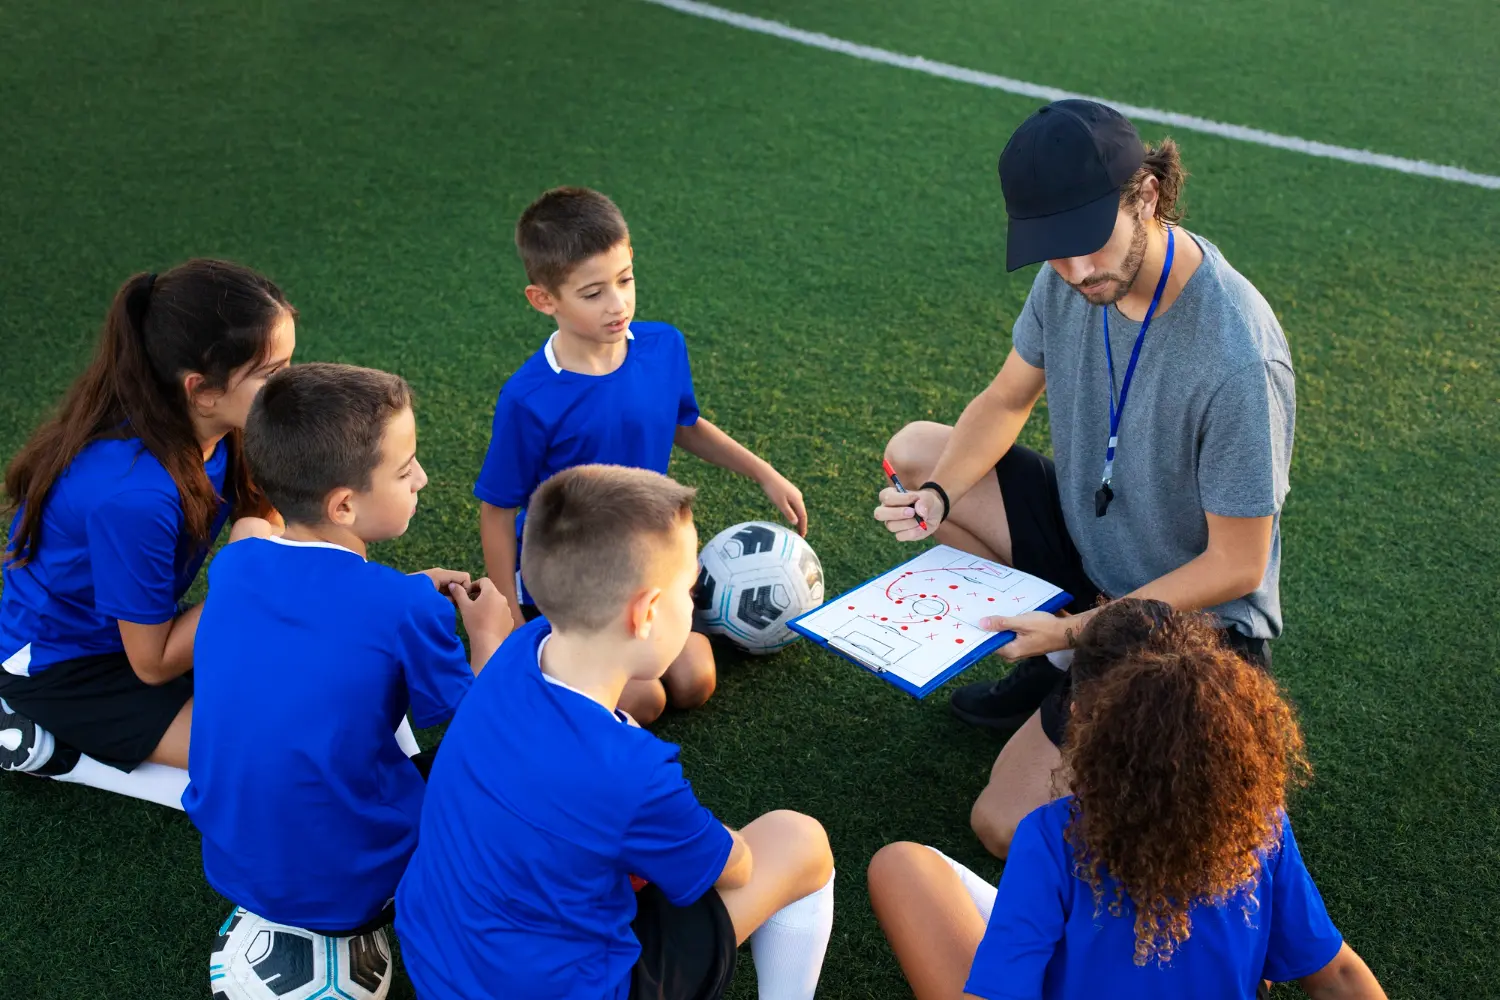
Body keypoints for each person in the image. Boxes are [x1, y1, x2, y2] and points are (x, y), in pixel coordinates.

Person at [876, 100, 1296, 856]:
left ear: (1146, 195)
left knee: (1002, 826)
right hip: (1090, 549)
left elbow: (1237, 565)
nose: (1073, 272)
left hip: (1190, 629)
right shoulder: (1069, 279)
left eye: (1084, 245)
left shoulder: (1237, 356)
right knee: (918, 452)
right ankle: (1059, 669)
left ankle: (1088, 671)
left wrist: (1078, 629)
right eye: (1053, 252)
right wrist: (936, 497)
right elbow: (1006, 398)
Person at [398, 465, 835, 1000]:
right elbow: (735, 867)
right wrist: (719, 839)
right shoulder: (631, 772)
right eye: (691, 591)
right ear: (648, 612)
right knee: (799, 839)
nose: (694, 606)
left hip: (437, 965)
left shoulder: (520, 650)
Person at [867, 600, 1387, 1000]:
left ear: (1084, 720)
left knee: (901, 866)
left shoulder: (1054, 836)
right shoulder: (1261, 826)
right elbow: (1338, 974)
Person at [182, 363, 513, 935]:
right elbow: (481, 737)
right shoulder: (406, 611)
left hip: (232, 865)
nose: (424, 480)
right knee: (517, 771)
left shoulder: (235, 566)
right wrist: (489, 639)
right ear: (342, 507)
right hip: (359, 884)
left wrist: (404, 592)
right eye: (405, 470)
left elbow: (323, 600)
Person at [475, 186, 808, 724]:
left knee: (695, 681)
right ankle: (551, 657)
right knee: (644, 701)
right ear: (544, 300)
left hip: (648, 557)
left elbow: (685, 424)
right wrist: (509, 615)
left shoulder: (662, 346)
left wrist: (763, 473)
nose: (618, 304)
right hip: (572, 574)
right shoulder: (529, 398)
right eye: (593, 293)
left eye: (625, 280)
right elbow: (498, 508)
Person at [0, 260, 296, 775]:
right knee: (269, 756)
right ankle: (27, 717)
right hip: (73, 666)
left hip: (140, 628)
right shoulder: (135, 495)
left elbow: (261, 505)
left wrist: (259, 535)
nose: (289, 386)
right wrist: (251, 568)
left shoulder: (224, 420)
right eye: (272, 373)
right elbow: (153, 663)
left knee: (315, 689)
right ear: (201, 389)